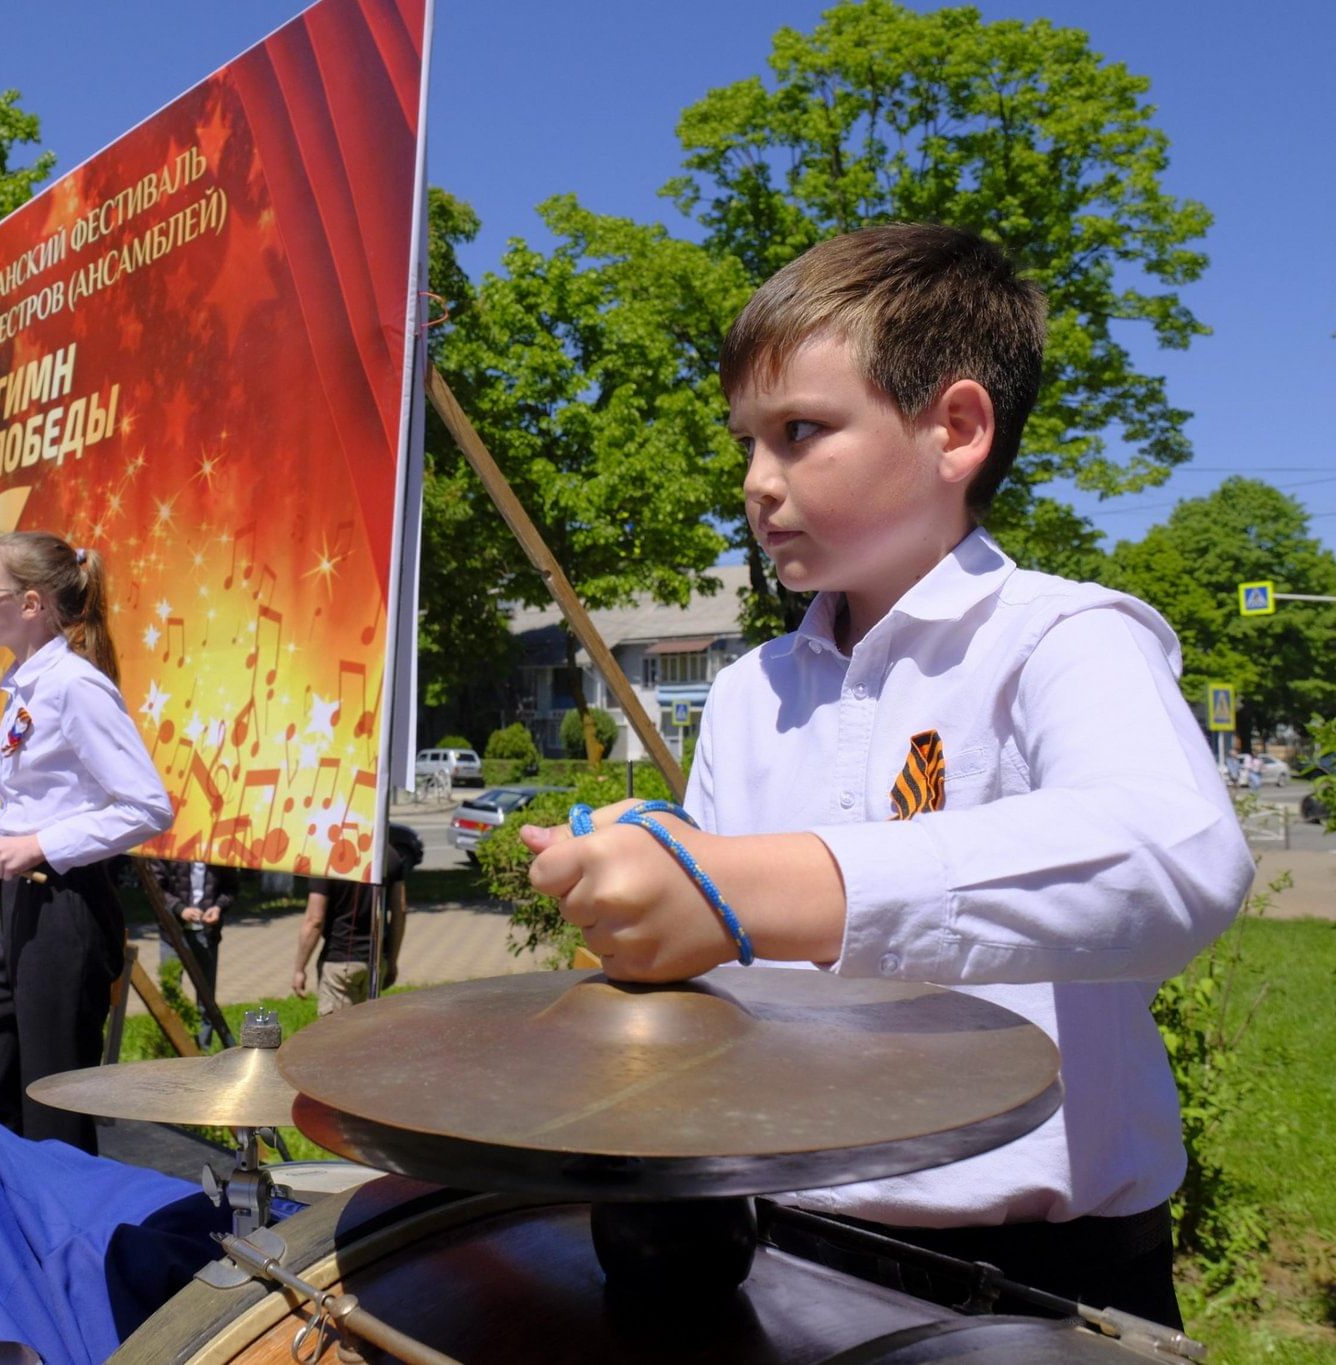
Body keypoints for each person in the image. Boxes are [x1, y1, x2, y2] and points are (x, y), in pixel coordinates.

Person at [519, 224, 1251, 1327]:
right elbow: (725, 978)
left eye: (799, 432)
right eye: (745, 442)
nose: (756, 483)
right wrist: (650, 891)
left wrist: (756, 890)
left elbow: (1173, 856)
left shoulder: (1060, 636)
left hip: (1037, 1282)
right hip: (778, 1244)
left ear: (952, 429)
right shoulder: (746, 690)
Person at [0, 531, 173, 1154]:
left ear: (30, 604)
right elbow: (49, 804)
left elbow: (147, 806)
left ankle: (67, 1245)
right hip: (24, 906)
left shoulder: (75, 685)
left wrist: (39, 846)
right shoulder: (27, 684)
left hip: (66, 913)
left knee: (52, 1111)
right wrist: (0, 870)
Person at [291, 826, 420, 1014]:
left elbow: (314, 920)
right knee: (365, 1034)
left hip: (340, 963)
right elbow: (400, 911)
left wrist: (299, 969)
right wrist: (391, 961)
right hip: (376, 961)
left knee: (337, 1036)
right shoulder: (389, 855)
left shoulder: (329, 857)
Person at [147, 859, 237, 1044]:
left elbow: (231, 888)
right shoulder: (172, 849)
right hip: (172, 932)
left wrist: (218, 907)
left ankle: (203, 1048)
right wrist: (180, 909)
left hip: (206, 932)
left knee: (206, 997)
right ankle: (174, 1044)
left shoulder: (220, 853)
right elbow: (155, 886)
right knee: (171, 992)